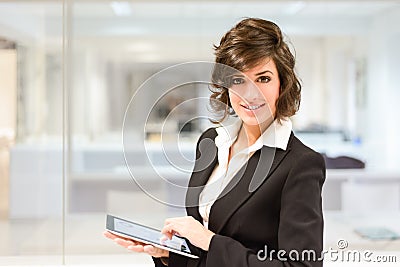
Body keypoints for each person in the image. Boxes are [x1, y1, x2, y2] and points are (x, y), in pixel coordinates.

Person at [104, 18, 325, 267]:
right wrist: (169, 253)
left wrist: (210, 241)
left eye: (263, 79)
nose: (250, 93)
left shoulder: (300, 164)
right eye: (238, 80)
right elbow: (204, 248)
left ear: (282, 84)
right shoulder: (211, 142)